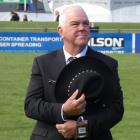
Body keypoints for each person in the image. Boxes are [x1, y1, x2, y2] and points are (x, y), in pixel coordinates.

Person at [24, 5, 124, 140]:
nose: (82, 28)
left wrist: (80, 129)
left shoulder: (108, 64)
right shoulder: (42, 63)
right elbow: (31, 105)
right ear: (61, 31)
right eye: (75, 24)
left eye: (85, 23)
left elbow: (116, 110)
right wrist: (63, 110)